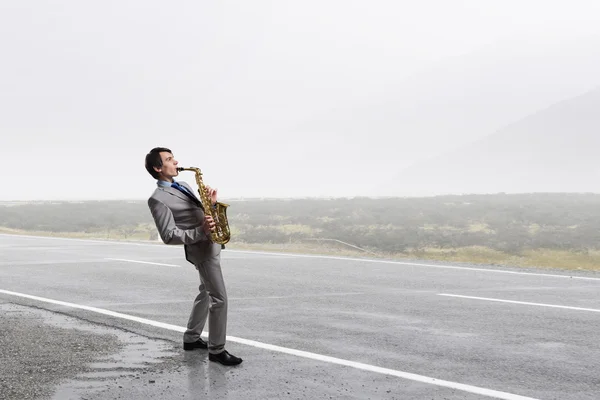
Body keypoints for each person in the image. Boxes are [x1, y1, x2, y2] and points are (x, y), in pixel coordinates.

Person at [144, 147, 242, 366]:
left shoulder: (185, 185)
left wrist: (212, 204)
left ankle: (191, 338)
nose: (176, 161)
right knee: (220, 298)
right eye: (169, 159)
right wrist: (202, 232)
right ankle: (217, 350)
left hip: (210, 245)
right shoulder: (157, 199)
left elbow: (200, 213)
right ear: (158, 168)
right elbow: (169, 236)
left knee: (206, 292)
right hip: (201, 250)